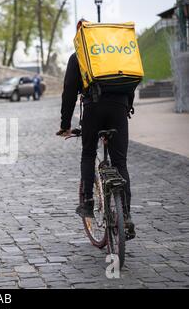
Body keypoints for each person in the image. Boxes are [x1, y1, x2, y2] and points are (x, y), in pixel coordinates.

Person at [56, 19, 136, 238]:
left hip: (94, 109)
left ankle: (89, 204)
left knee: (88, 153)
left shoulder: (78, 57)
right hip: (119, 109)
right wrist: (126, 106)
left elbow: (69, 93)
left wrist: (65, 125)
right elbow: (130, 80)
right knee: (120, 163)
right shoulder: (113, 55)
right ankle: (126, 216)